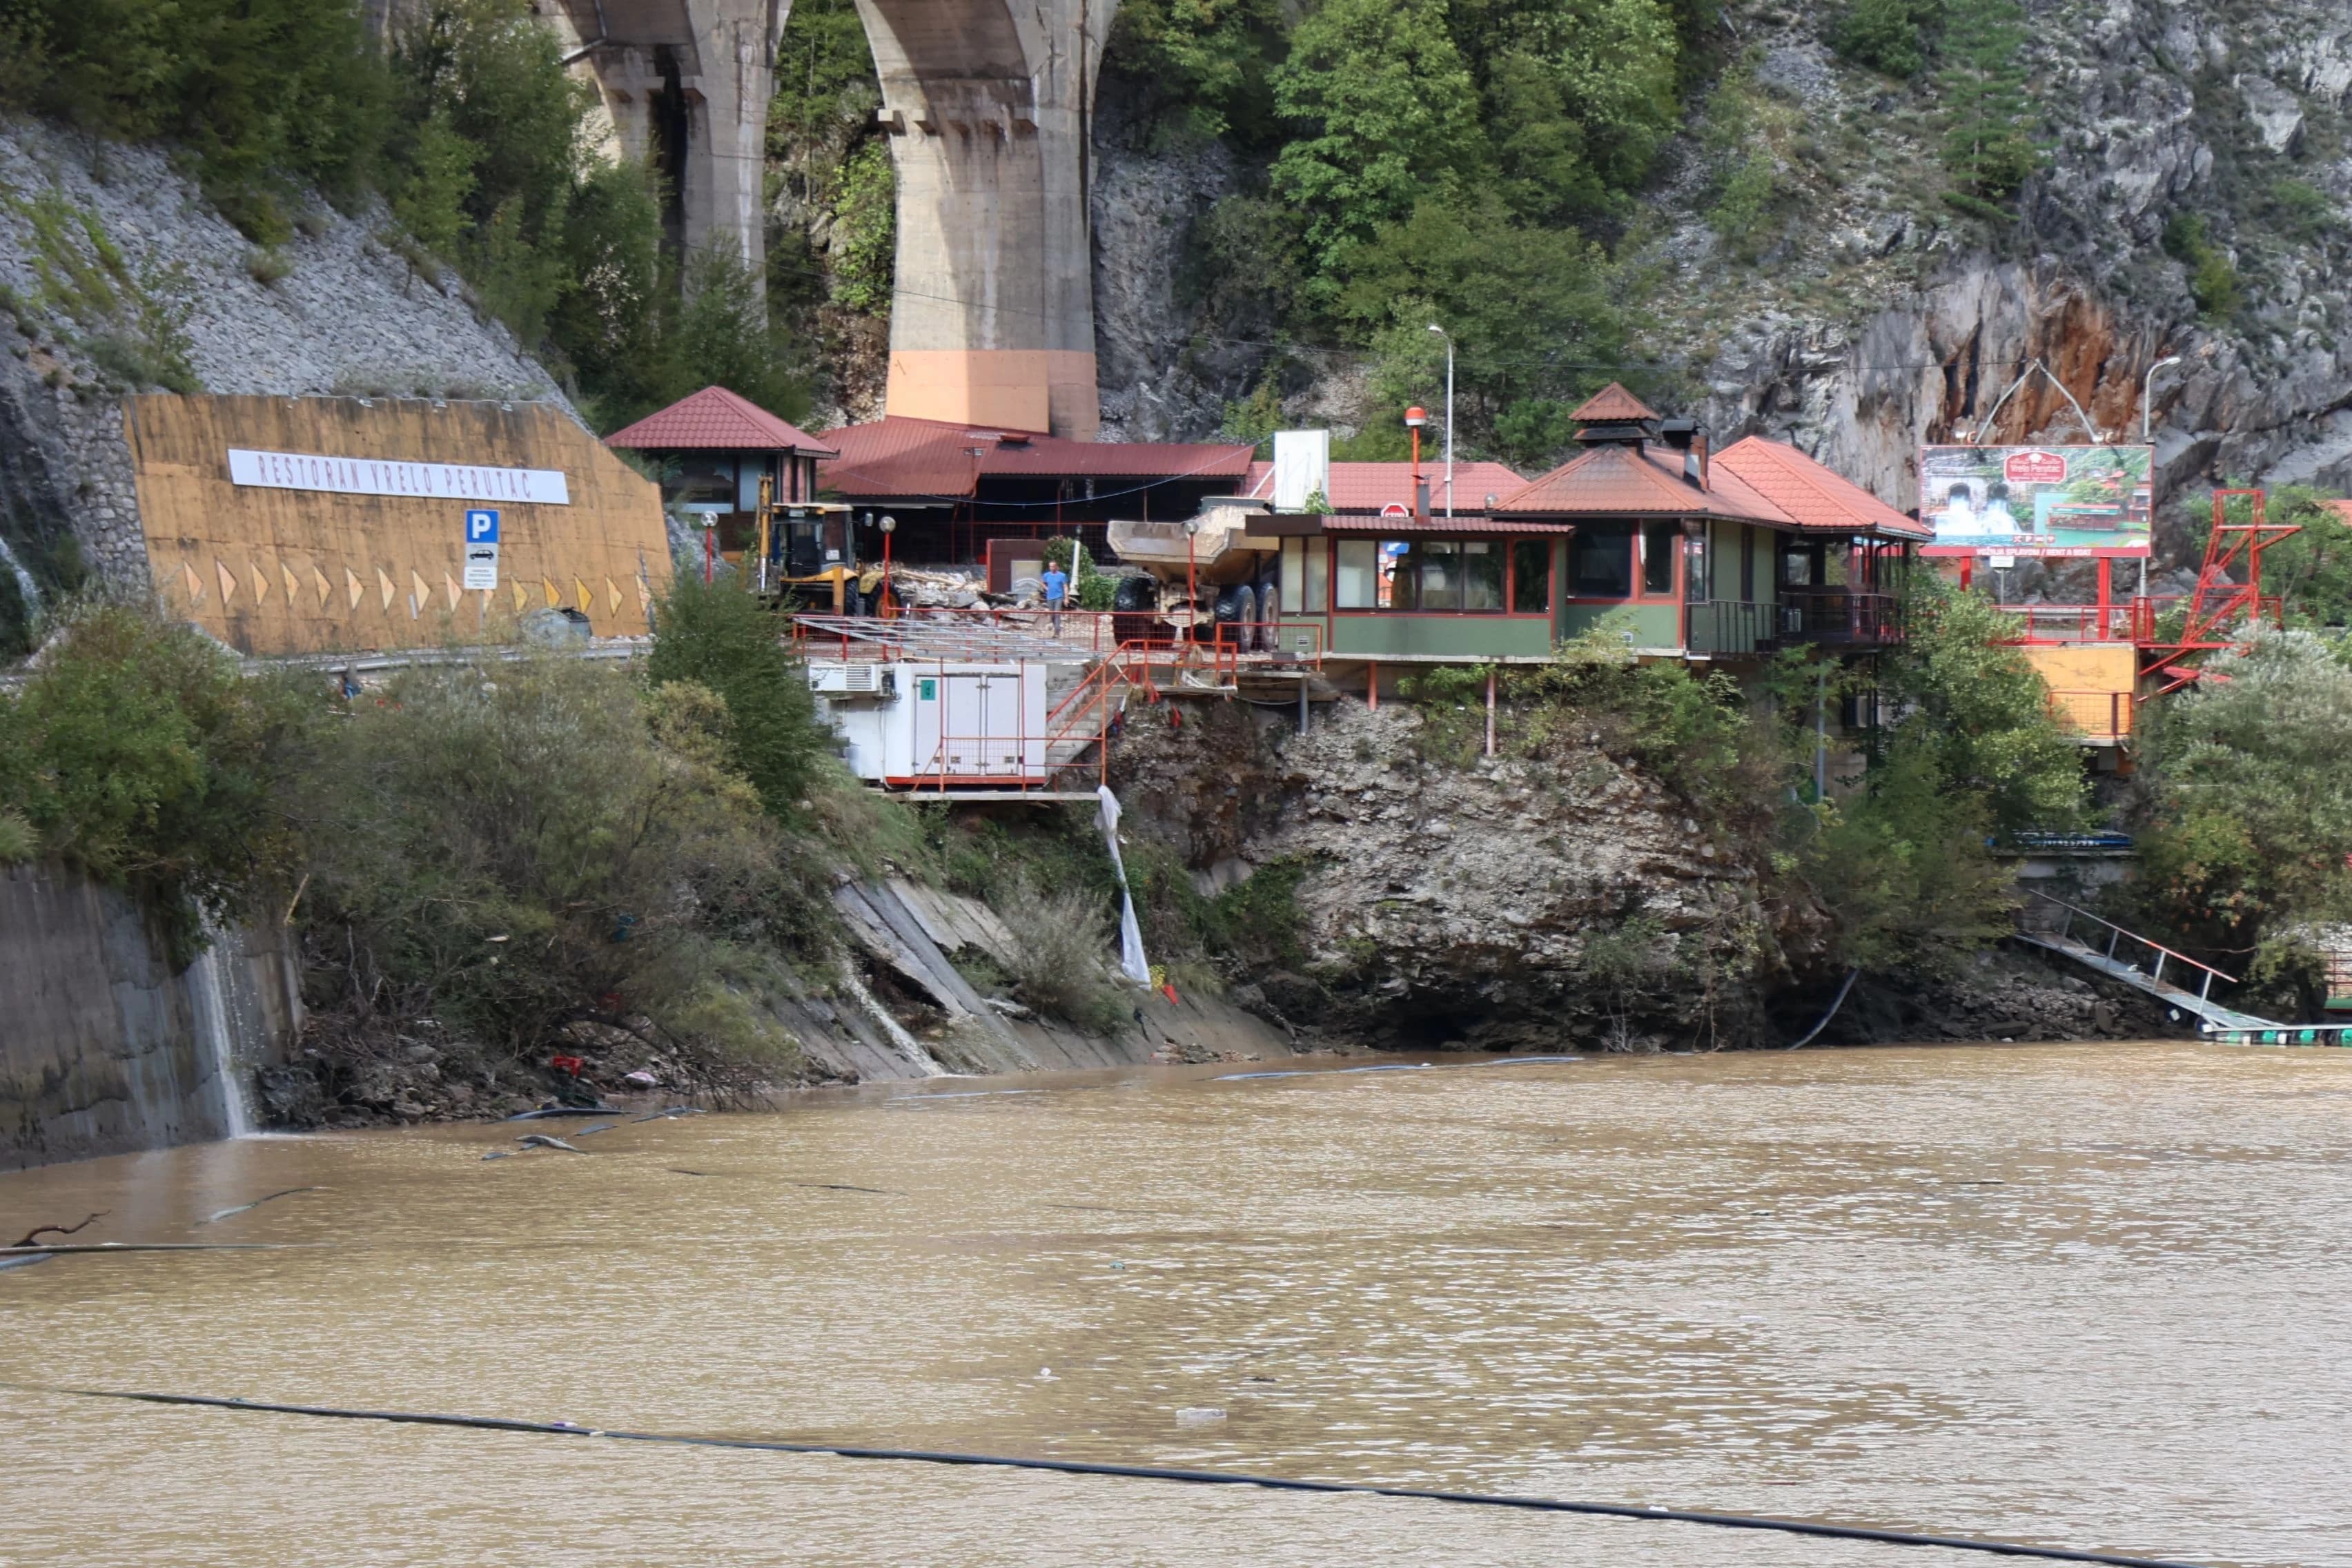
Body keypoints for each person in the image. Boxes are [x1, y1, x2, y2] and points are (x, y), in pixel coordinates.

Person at [1041, 558, 1069, 635]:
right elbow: (1042, 583)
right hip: (1050, 597)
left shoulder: (1062, 575)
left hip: (1059, 597)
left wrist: (1066, 598)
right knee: (1052, 615)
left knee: (1057, 613)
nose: (1052, 568)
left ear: (1056, 567)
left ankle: (1057, 631)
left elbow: (1065, 586)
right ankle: (1056, 628)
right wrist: (1046, 588)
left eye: (1053, 567)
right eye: (1050, 567)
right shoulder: (1046, 575)